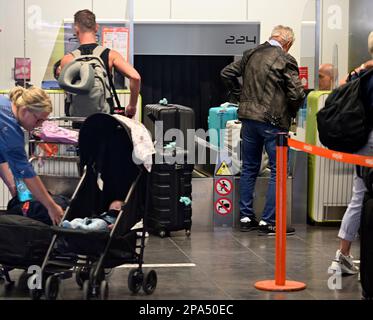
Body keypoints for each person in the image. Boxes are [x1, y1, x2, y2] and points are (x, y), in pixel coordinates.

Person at [221, 25, 305, 235]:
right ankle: (267, 221)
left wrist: (239, 95)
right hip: (274, 123)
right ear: (288, 43)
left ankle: (246, 216)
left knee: (249, 167)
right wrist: (291, 113)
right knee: (279, 171)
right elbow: (296, 94)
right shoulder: (286, 59)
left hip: (248, 120)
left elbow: (226, 73)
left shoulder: (251, 53)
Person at [329, 33, 373, 275]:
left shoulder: (363, 73)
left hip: (361, 140)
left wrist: (361, 67)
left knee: (359, 196)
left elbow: (341, 88)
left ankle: (343, 255)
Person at [0, 86, 64, 225]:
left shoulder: (4, 104)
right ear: (24, 111)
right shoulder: (10, 128)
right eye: (38, 120)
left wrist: (12, 186)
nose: (39, 125)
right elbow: (26, 171)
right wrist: (51, 206)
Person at [60, 9, 141, 118]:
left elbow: (67, 91)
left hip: (78, 119)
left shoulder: (67, 59)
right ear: (96, 27)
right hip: (103, 118)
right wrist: (132, 106)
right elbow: (135, 77)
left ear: (76, 29)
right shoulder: (111, 55)